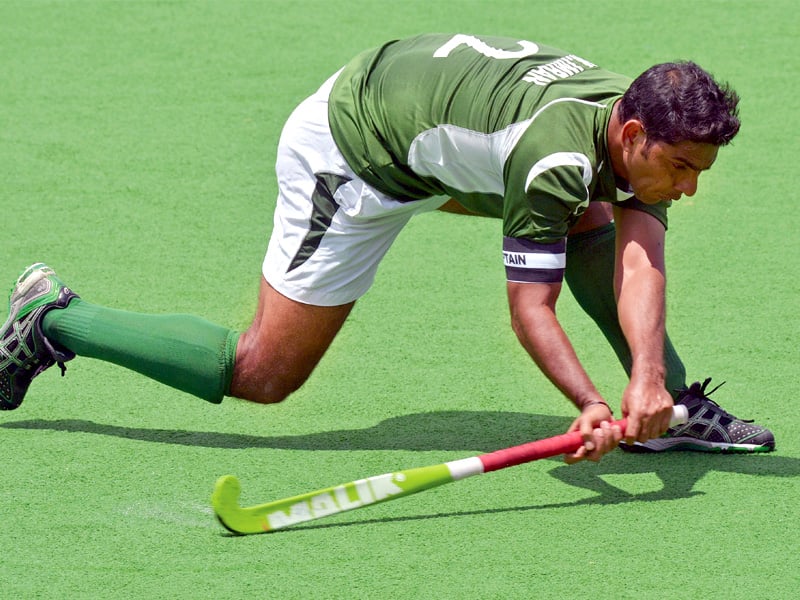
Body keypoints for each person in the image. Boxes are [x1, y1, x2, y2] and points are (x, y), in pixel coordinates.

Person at [0, 33, 774, 462]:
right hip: (357, 150)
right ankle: (54, 318)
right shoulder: (557, 159)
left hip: (437, 135)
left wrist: (647, 383)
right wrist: (591, 405)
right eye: (681, 169)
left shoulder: (633, 125)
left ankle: (675, 409)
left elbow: (641, 258)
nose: (690, 188)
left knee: (597, 224)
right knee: (265, 372)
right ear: (634, 135)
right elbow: (528, 307)